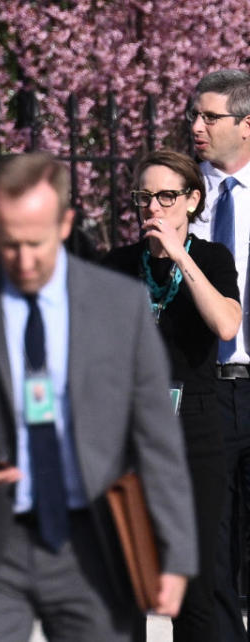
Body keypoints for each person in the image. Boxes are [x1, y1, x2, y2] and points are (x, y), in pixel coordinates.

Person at [0, 152, 197, 642]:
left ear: (66, 221)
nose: (24, 259)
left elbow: (156, 436)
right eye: (10, 243)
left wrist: (175, 553)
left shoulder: (119, 305)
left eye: (36, 241)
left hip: (93, 545)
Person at [103, 150, 240, 641]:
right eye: (145, 197)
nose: (153, 208)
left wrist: (180, 255)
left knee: (193, 583)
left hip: (195, 428)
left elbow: (225, 324)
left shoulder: (212, 259)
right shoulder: (117, 263)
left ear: (191, 200)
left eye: (166, 196)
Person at [187, 68, 250, 642]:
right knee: (208, 554)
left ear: (246, 125)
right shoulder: (180, 195)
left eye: (210, 116)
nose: (197, 126)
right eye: (195, 115)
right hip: (202, 389)